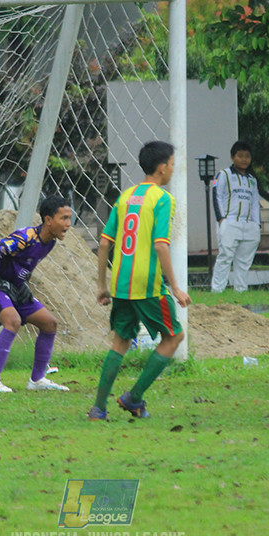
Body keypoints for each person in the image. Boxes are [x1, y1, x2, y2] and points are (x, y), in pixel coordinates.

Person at [89, 140, 192, 421]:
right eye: (172, 164)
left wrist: (102, 284)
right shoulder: (163, 199)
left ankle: (98, 408)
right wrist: (176, 287)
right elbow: (160, 245)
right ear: (162, 167)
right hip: (147, 283)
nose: (173, 169)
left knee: (120, 341)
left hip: (121, 281)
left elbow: (103, 244)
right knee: (174, 337)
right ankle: (133, 397)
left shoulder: (126, 197)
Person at [0, 195, 73, 392]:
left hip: (13, 287)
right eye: (63, 219)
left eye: (70, 218)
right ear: (48, 220)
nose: (68, 224)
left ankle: (37, 380)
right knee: (13, 320)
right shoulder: (25, 238)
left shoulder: (50, 242)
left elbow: (21, 266)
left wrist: (21, 285)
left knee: (49, 323)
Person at [210, 140, 261, 293]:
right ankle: (217, 290)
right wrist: (221, 219)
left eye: (247, 156)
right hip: (229, 221)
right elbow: (216, 195)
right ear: (233, 157)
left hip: (248, 224)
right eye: (240, 156)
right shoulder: (224, 174)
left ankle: (241, 289)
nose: (244, 159)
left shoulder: (252, 179)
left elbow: (255, 203)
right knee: (225, 257)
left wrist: (256, 224)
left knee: (244, 261)